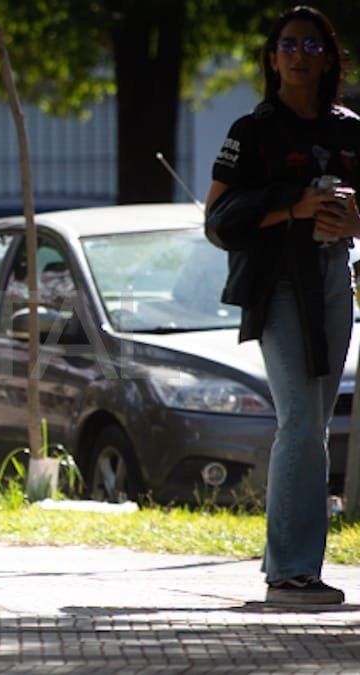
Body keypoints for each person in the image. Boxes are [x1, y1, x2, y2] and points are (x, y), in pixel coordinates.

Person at [205, 5, 360, 605]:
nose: (300, 54)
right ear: (273, 59)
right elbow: (217, 220)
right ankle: (293, 572)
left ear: (329, 58)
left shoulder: (350, 129)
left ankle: (283, 557)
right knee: (300, 422)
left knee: (312, 425)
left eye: (312, 45)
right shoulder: (252, 130)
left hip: (330, 278)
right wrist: (291, 207)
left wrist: (353, 218)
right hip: (277, 284)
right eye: (288, 45)